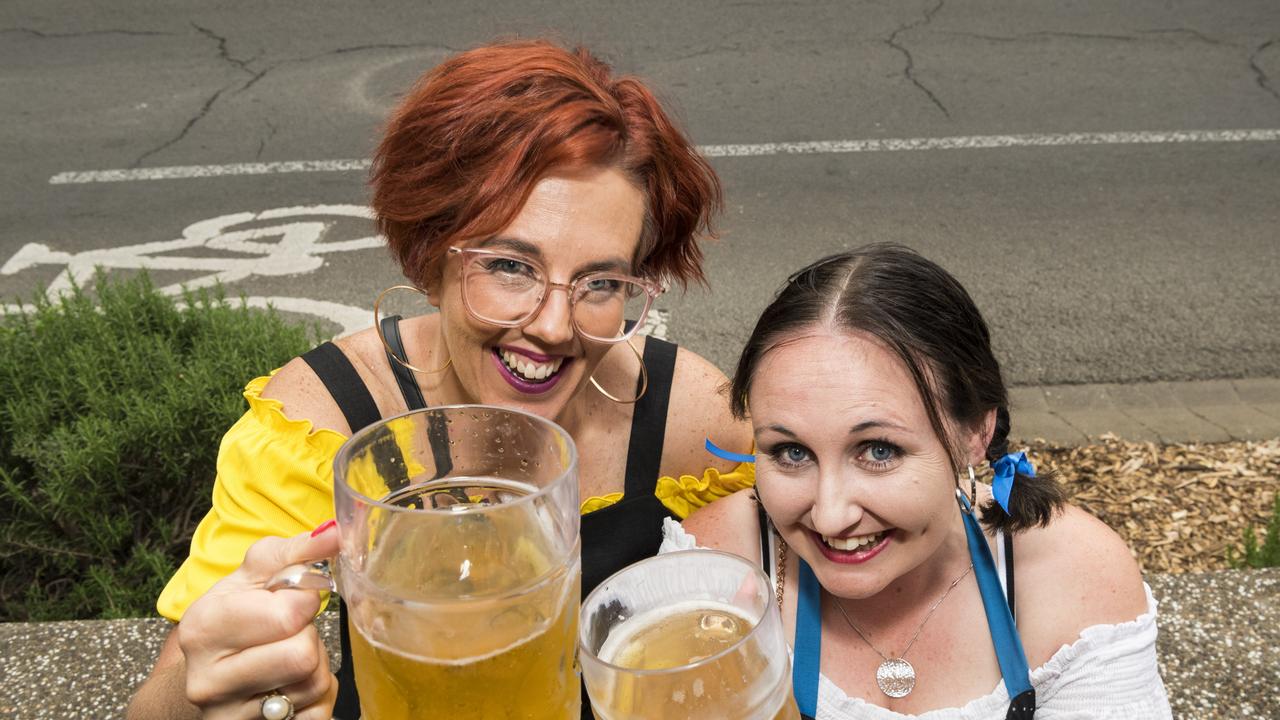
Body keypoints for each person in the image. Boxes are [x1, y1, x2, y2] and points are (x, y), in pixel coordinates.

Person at [127, 39, 753, 720]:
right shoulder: (325, 422)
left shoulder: (691, 422)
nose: (551, 326)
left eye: (600, 282)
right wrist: (220, 673)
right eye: (511, 266)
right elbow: (161, 705)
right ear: (431, 257)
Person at [670, 244, 1172, 719]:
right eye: (791, 452)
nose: (830, 514)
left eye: (878, 451)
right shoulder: (708, 573)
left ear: (976, 432)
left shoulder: (1071, 576)